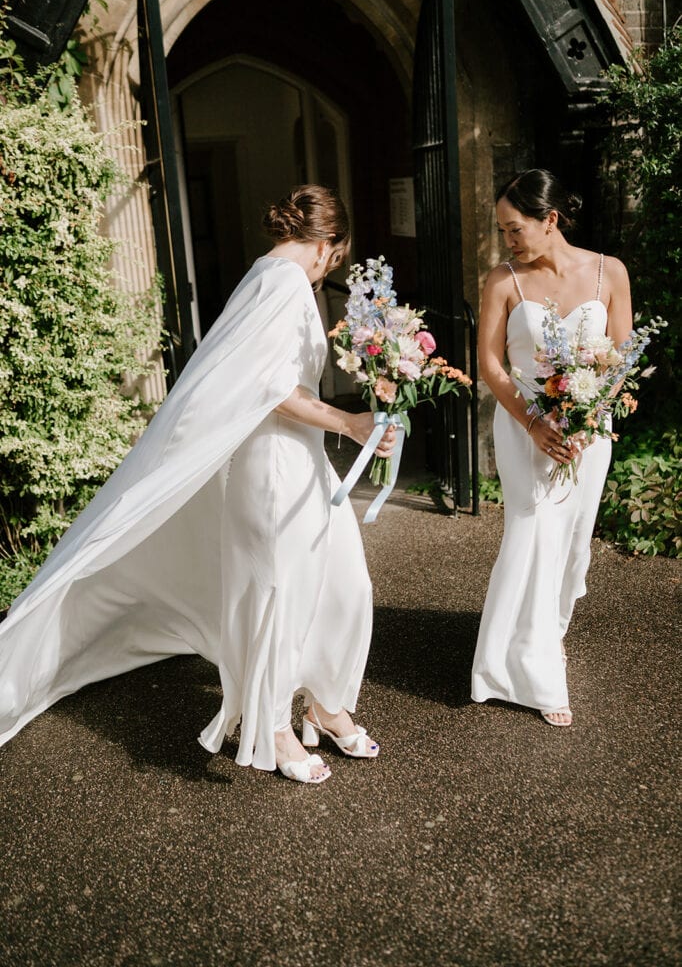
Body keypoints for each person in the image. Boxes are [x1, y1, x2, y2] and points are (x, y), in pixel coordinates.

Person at [0, 184, 394, 783]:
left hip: (303, 461)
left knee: (342, 580)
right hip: (275, 471)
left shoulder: (268, 274)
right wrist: (350, 422)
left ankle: (325, 702)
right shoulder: (284, 283)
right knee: (278, 593)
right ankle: (273, 728)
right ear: (328, 246)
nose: (330, 270)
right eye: (335, 260)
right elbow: (271, 389)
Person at [471, 169, 632, 726]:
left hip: (588, 434)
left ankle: (550, 630)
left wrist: (590, 417)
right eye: (502, 231)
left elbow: (622, 357)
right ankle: (528, 669)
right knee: (532, 532)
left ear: (551, 220)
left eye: (515, 230)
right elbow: (490, 364)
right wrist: (536, 420)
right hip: (524, 429)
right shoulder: (502, 281)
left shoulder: (609, 272)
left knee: (572, 541)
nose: (508, 242)